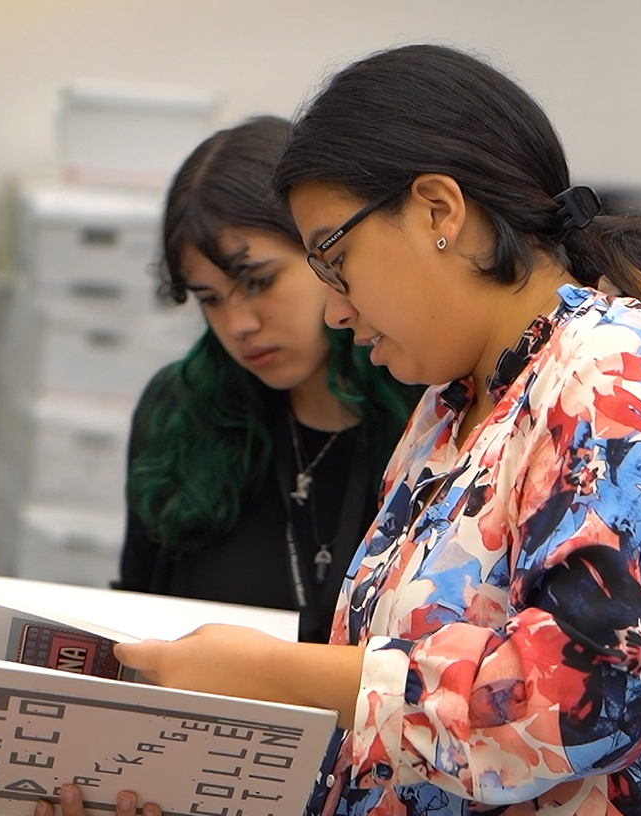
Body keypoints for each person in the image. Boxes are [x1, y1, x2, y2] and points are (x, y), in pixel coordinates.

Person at [38, 44, 641, 816]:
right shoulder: (456, 402)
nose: (335, 311)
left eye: (335, 258)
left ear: (438, 211)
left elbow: (587, 696)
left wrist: (274, 674)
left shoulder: (621, 374)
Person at [115, 116, 419, 644]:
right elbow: (135, 614)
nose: (238, 325)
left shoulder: (432, 405)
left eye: (258, 282)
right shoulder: (180, 410)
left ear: (327, 253)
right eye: (209, 299)